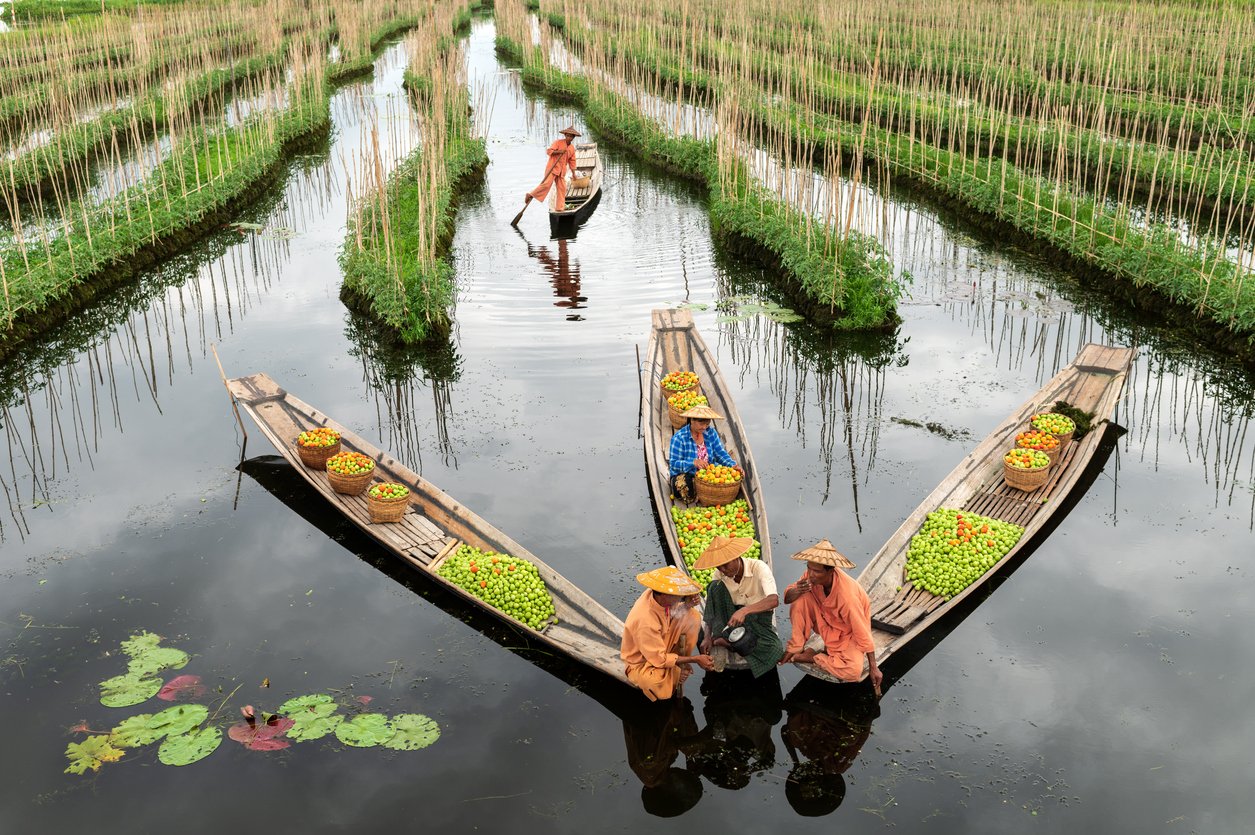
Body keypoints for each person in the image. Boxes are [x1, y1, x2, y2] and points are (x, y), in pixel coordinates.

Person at [779, 540, 883, 693]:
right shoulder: (810, 576)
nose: (811, 574)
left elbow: (862, 631)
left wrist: (874, 667)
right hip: (826, 621)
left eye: (817, 571)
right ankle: (797, 646)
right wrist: (797, 590)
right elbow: (787, 599)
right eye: (809, 568)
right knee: (800, 599)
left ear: (830, 571)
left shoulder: (847, 597)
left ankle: (813, 657)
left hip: (847, 633)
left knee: (852, 671)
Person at [694, 535, 784, 677]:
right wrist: (706, 636)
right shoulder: (719, 574)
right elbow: (711, 607)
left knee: (775, 649)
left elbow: (773, 600)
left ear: (737, 557)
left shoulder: (759, 567)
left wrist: (745, 611)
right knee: (713, 587)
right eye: (719, 567)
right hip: (732, 617)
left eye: (726, 565)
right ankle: (722, 637)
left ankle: (728, 643)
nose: (723, 570)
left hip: (758, 617)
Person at [621, 566, 714, 700]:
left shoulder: (658, 597)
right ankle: (676, 672)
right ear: (664, 595)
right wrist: (695, 659)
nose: (680, 598)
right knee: (656, 684)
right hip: (643, 661)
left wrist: (686, 605)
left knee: (692, 616)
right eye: (677, 596)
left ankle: (678, 664)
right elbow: (659, 659)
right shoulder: (645, 620)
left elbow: (669, 615)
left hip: (660, 643)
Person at [668, 404, 740, 503]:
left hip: (708, 474)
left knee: (724, 482)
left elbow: (720, 453)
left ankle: (706, 493)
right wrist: (693, 462)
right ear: (692, 420)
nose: (704, 427)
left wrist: (733, 465)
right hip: (688, 475)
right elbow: (674, 464)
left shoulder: (710, 433)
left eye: (707, 424)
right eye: (701, 424)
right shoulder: (679, 438)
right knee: (686, 488)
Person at [523, 125, 581, 212]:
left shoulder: (572, 148)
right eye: (567, 135)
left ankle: (559, 208)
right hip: (552, 168)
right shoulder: (558, 142)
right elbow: (549, 151)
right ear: (565, 135)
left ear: (573, 137)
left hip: (561, 171)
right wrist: (559, 151)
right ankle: (530, 194)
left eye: (571, 136)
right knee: (546, 185)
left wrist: (573, 174)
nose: (569, 137)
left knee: (562, 188)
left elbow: (572, 162)